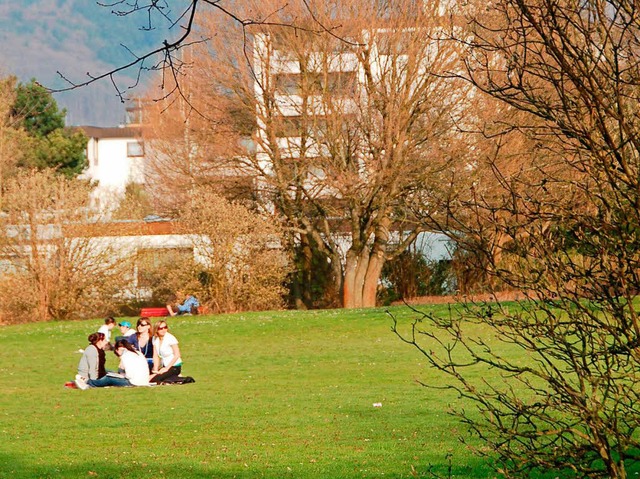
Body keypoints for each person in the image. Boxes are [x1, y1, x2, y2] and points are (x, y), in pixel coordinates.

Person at [83, 339, 151, 388]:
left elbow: (129, 375)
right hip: (144, 381)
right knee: (108, 372)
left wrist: (121, 375)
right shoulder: (138, 353)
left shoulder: (125, 355)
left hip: (134, 382)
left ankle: (89, 382)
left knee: (109, 377)